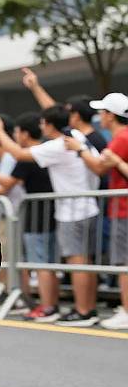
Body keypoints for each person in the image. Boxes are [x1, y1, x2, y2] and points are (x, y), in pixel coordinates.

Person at [0, 104, 101, 326]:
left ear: (48, 124)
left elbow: (18, 154)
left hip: (71, 211)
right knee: (86, 263)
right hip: (87, 207)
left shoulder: (57, 145)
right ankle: (87, 308)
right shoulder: (74, 136)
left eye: (42, 122)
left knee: (76, 263)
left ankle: (80, 310)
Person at [0, 112, 59, 321]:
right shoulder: (44, 151)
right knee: (48, 263)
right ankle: (50, 305)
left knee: (40, 261)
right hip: (49, 212)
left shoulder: (29, 154)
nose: (15, 136)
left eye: (17, 132)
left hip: (37, 214)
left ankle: (46, 307)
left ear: (24, 134)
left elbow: (8, 184)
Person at [63, 93, 128, 329]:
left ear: (111, 115)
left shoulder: (121, 138)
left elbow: (100, 167)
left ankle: (126, 310)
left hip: (123, 209)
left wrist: (80, 150)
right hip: (119, 208)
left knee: (123, 263)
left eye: (103, 113)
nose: (100, 117)